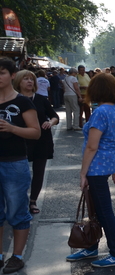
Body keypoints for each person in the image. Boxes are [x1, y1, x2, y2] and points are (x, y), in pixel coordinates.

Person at [65, 73, 115, 267]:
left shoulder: (100, 112)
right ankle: (92, 247)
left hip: (96, 167)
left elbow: (92, 146)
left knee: (103, 211)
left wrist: (83, 173)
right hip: (107, 164)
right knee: (97, 210)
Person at [0, 58, 41, 274]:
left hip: (14, 163)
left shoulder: (22, 102)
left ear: (12, 75)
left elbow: (35, 132)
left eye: (2, 73)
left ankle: (17, 256)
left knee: (17, 211)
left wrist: (12, 128)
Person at [13, 70, 58, 215]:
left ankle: (33, 201)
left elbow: (54, 116)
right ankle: (18, 201)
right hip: (20, 140)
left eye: (31, 79)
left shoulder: (40, 99)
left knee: (39, 172)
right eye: (25, 79)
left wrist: (50, 122)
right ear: (18, 82)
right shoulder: (14, 100)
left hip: (41, 139)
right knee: (19, 173)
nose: (29, 81)